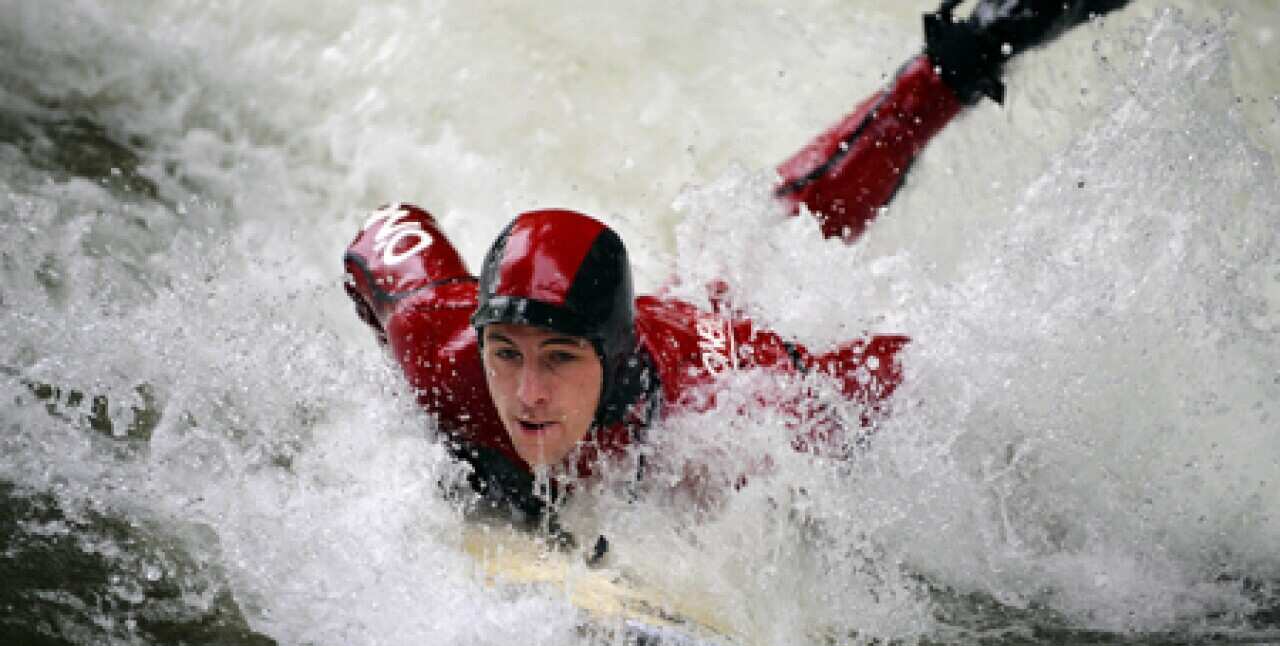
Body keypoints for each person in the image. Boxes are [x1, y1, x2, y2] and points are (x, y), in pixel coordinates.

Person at [343, 0, 1131, 521]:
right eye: (505, 354)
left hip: (716, 341)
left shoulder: (715, 408)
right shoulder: (437, 343)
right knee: (757, 227)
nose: (527, 393)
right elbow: (383, 229)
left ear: (612, 359)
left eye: (558, 358)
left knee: (798, 244)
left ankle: (957, 60)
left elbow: (896, 377)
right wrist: (415, 418)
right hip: (653, 314)